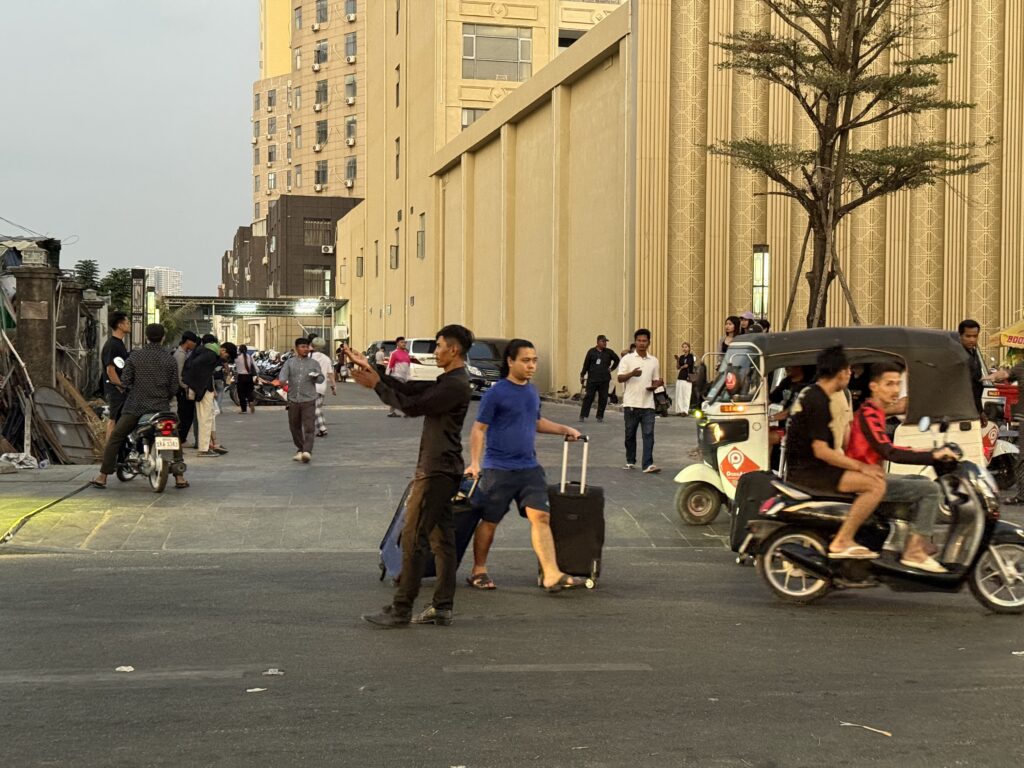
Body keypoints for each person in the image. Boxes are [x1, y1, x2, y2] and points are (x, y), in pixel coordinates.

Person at [346, 325, 474, 628]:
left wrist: (377, 385)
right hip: (441, 467)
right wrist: (374, 371)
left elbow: (413, 406)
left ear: (453, 350)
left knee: (413, 537)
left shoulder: (456, 384)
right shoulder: (449, 380)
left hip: (437, 470)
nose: (435, 351)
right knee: (442, 540)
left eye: (440, 346)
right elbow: (412, 390)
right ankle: (442, 606)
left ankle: (401, 608)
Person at [466, 339, 589, 592]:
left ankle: (551, 574)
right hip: (498, 469)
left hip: (529, 468)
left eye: (534, 360)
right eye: (525, 360)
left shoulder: (532, 391)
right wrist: (475, 463)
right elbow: (479, 429)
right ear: (510, 362)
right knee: (490, 520)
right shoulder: (496, 392)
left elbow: (535, 422)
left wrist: (565, 429)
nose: (531, 365)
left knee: (541, 516)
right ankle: (479, 570)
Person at [845, 362, 959, 571]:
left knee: (921, 481)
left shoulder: (876, 412)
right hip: (865, 480)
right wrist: (932, 455)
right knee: (930, 489)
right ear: (874, 386)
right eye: (889, 384)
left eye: (898, 384)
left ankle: (913, 540)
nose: (896, 390)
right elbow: (890, 453)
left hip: (872, 476)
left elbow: (887, 446)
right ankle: (914, 551)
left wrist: (927, 450)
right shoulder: (869, 414)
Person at [784, 346, 886, 558]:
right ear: (841, 372)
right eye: (848, 370)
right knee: (875, 485)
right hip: (812, 472)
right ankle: (843, 540)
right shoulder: (819, 400)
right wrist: (861, 466)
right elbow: (821, 451)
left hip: (806, 468)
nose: (850, 374)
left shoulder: (811, 393)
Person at [91, 324, 187, 490]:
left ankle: (103, 476)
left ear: (146, 337)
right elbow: (173, 388)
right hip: (161, 408)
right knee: (173, 436)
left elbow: (126, 382)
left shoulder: (135, 358)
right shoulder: (169, 359)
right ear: (163, 337)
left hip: (135, 407)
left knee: (116, 437)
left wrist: (124, 387)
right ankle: (179, 477)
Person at [618, 328, 663, 473]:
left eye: (644, 341)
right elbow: (619, 378)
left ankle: (647, 464)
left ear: (649, 342)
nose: (641, 343)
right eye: (639, 341)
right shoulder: (627, 359)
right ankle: (630, 460)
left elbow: (655, 379)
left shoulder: (654, 361)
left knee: (648, 434)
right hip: (631, 403)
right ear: (635, 342)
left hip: (648, 404)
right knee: (630, 434)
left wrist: (657, 384)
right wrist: (632, 373)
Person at [275, 338, 324, 463]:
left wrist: (316, 376)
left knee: (309, 427)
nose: (305, 349)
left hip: (309, 399)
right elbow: (282, 377)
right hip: (293, 399)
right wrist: (282, 381)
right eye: (303, 347)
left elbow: (321, 379)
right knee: (294, 427)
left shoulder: (313, 363)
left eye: (307, 347)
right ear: (297, 348)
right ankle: (300, 449)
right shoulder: (289, 363)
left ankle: (307, 451)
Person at [182, 333, 224, 458]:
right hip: (203, 390)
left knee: (205, 418)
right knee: (205, 419)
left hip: (201, 389)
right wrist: (199, 387)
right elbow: (197, 369)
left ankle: (206, 446)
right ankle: (204, 448)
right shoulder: (209, 354)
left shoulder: (201, 352)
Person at [101, 312, 131, 440]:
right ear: (120, 325)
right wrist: (120, 387)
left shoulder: (119, 343)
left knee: (118, 421)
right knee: (113, 421)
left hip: (120, 389)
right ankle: (109, 452)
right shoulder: (112, 345)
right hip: (115, 390)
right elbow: (110, 370)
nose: (129, 325)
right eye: (127, 323)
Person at [578, 334, 620, 423]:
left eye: (606, 342)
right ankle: (583, 415)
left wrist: (612, 368)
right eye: (603, 341)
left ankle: (600, 416)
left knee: (603, 398)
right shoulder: (591, 352)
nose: (605, 343)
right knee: (588, 397)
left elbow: (617, 359)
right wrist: (582, 375)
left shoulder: (609, 352)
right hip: (592, 379)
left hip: (604, 379)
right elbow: (586, 364)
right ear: (598, 342)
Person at [173, 331, 200, 440]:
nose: (195, 344)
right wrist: (186, 387)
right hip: (182, 391)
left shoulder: (183, 353)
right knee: (185, 416)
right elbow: (179, 375)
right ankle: (180, 439)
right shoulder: (180, 355)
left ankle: (181, 438)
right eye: (193, 342)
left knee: (186, 416)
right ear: (188, 341)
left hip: (183, 389)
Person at [958, 319, 986, 414]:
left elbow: (976, 385)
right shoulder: (956, 354)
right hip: (960, 408)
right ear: (960, 336)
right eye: (968, 336)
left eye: (975, 336)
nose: (972, 339)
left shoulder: (974, 353)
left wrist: (980, 411)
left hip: (973, 407)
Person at [309, 336, 336, 436]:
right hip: (321, 386)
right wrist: (333, 386)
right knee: (318, 407)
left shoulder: (308, 356)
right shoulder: (326, 359)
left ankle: (322, 428)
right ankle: (321, 427)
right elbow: (330, 374)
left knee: (314, 409)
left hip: (310, 386)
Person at [385, 337, 415, 417]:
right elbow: (390, 366)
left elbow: (408, 367)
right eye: (402, 342)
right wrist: (387, 377)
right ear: (397, 343)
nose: (404, 344)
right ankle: (403, 412)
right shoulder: (394, 353)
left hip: (404, 378)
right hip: (396, 377)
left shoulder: (406, 354)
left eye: (405, 342)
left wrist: (409, 378)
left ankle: (392, 412)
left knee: (398, 395)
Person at [234, 344, 256, 414]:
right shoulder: (249, 357)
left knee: (241, 394)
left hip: (241, 377)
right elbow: (254, 366)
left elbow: (235, 366)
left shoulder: (237, 358)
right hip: (249, 377)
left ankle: (244, 410)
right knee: (249, 391)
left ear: (239, 350)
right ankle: (251, 402)